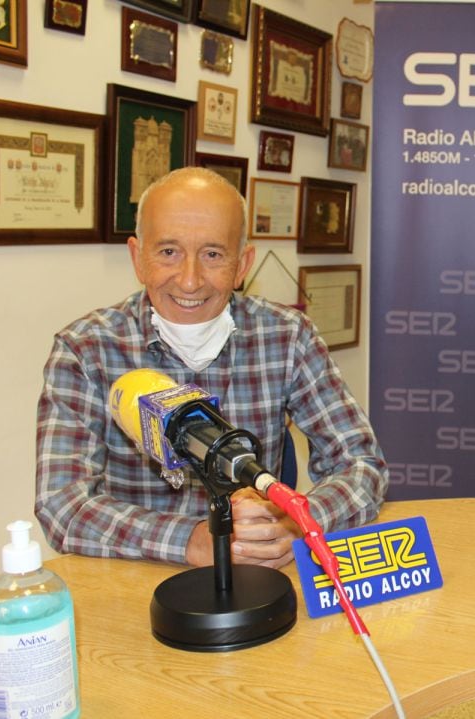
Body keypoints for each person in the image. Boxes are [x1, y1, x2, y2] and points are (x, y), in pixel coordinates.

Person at [35, 167, 388, 570]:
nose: (189, 280)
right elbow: (61, 506)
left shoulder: (289, 336)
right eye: (168, 252)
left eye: (213, 255)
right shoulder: (85, 350)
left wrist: (298, 522)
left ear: (242, 265)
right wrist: (191, 541)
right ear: (137, 257)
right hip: (138, 580)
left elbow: (362, 464)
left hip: (256, 578)